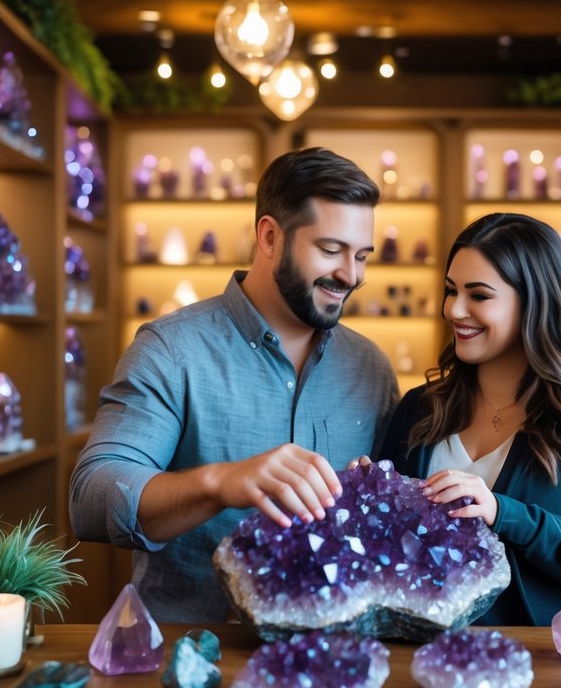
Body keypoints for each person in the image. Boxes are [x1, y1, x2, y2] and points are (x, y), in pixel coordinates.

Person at [71, 147, 399, 623]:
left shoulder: (371, 367)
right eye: (330, 250)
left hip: (336, 657)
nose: (351, 275)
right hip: (184, 657)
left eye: (362, 255)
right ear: (269, 236)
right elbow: (91, 497)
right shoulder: (171, 348)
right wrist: (221, 482)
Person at [376, 212, 561, 626]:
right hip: (417, 652)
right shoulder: (421, 407)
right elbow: (387, 550)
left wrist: (502, 513)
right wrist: (367, 499)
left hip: (538, 662)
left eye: (479, 295)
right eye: (451, 291)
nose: (455, 309)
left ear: (535, 302)